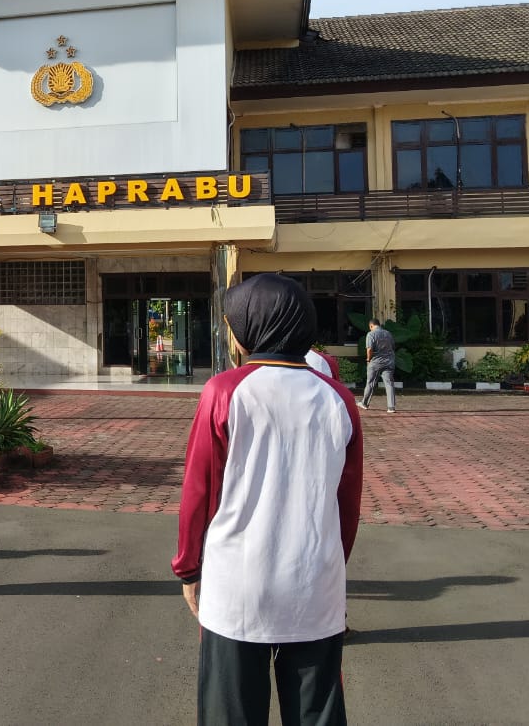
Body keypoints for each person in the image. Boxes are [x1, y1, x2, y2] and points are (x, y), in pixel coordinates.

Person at [173, 273, 363, 725]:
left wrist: (188, 567)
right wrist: (330, 563)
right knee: (316, 713)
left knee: (231, 713)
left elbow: (200, 491)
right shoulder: (338, 398)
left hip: (238, 583)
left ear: (252, 326)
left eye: (231, 323)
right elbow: (347, 502)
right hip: (314, 580)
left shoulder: (225, 390)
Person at [360, 317, 397, 413]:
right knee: (389, 384)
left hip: (375, 362)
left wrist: (368, 359)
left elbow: (369, 349)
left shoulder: (371, 334)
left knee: (370, 383)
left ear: (371, 326)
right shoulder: (388, 333)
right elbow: (393, 347)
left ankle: (364, 403)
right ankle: (391, 407)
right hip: (389, 361)